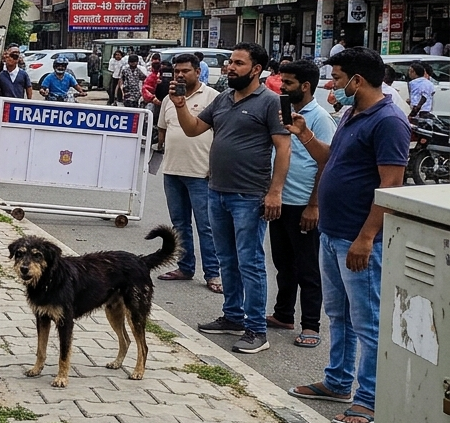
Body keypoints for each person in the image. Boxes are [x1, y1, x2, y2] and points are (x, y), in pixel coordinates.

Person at [286, 47, 410, 423]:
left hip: (358, 239)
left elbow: (391, 186)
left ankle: (368, 399)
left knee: (367, 321)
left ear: (357, 80)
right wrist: (306, 136)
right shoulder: (351, 113)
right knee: (338, 314)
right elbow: (331, 160)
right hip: (332, 233)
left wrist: (367, 237)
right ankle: (338, 380)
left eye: (338, 78)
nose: (332, 85)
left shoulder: (389, 121)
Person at [171, 42, 291, 355]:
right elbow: (194, 129)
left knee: (250, 262)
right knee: (227, 259)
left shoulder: (269, 102)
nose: (230, 68)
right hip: (217, 191)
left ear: (256, 69)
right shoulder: (224, 99)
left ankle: (256, 330)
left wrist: (275, 191)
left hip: (250, 196)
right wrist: (181, 104)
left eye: (238, 63)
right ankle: (233, 316)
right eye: (231, 63)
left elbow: (283, 148)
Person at [266, 59, 334, 350]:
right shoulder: (287, 114)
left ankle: (311, 325)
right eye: (282, 81)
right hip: (281, 200)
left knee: (307, 268)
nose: (282, 87)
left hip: (303, 204)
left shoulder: (319, 118)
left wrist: (314, 206)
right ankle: (283, 314)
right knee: (283, 263)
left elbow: (326, 163)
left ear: (305, 86)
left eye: (289, 83)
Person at [156, 53, 221, 293]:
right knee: (179, 224)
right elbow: (162, 130)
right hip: (172, 171)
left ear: (197, 72)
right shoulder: (168, 99)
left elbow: (220, 135)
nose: (181, 75)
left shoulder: (213, 97)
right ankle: (184, 267)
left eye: (186, 71)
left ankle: (213, 274)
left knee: (206, 226)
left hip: (201, 173)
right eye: (177, 72)